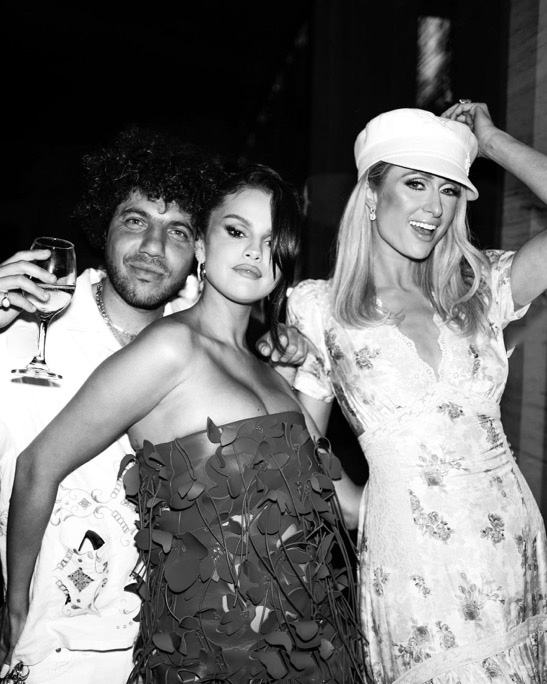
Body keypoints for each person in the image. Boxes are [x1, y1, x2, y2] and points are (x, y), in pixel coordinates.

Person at [1, 163, 365, 684]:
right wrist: (17, 610)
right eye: (236, 231)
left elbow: (345, 505)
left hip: (306, 647)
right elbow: (38, 465)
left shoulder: (273, 375)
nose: (254, 252)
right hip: (210, 654)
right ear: (201, 245)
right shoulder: (171, 346)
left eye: (271, 242)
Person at [286, 103, 547, 683]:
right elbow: (299, 445)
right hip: (415, 569)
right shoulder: (320, 309)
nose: (435, 207)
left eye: (450, 190)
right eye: (416, 183)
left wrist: (492, 143)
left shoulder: (481, 290)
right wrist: (360, 505)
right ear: (371, 194)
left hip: (512, 551)